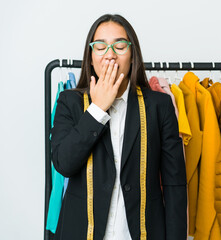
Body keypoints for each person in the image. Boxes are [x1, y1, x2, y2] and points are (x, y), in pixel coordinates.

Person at [51, 13, 187, 240]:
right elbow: (64, 163)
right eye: (101, 47)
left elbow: (174, 185)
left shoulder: (159, 105)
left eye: (120, 46)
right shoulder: (69, 102)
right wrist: (97, 109)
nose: (110, 55)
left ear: (133, 55)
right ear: (91, 57)